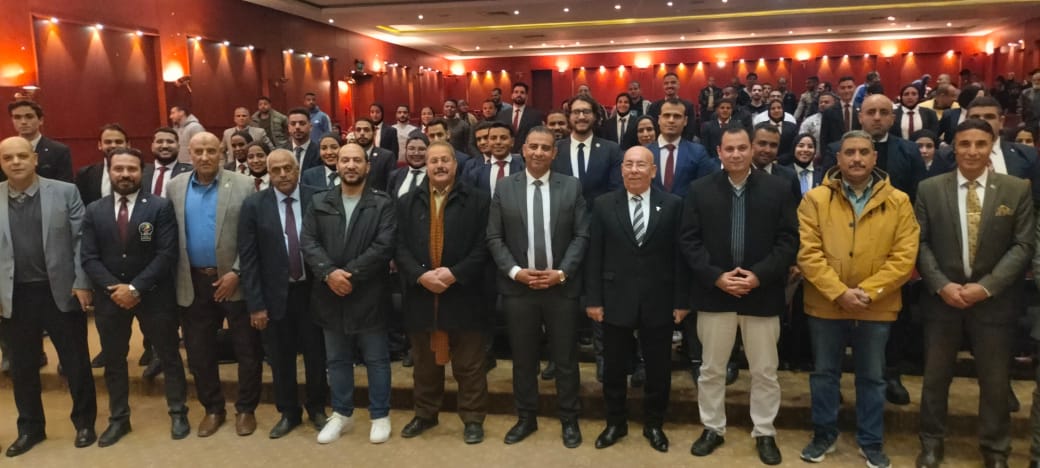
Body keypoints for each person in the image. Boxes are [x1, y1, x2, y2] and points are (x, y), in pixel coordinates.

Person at [915, 119, 1035, 468]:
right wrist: (942, 285)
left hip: (994, 303)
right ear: (954, 148)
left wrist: (986, 287)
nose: (971, 151)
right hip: (943, 301)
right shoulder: (929, 189)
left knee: (995, 383)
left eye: (980, 144)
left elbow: (1023, 245)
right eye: (964, 144)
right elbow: (919, 243)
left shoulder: (1016, 190)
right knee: (935, 379)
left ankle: (995, 449)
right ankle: (931, 443)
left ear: (991, 147)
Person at [796, 130, 920, 468]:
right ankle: (823, 435)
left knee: (872, 377)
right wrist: (839, 292)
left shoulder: (899, 201)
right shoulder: (815, 200)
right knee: (824, 374)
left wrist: (867, 292)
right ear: (838, 158)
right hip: (826, 303)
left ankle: (871, 440)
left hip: (876, 305)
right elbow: (808, 253)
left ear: (874, 157)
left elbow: (904, 257)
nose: (856, 158)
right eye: (849, 152)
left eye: (864, 152)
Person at [680, 126, 798, 466]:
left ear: (751, 150)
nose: (736, 154)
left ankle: (764, 431)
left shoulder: (778, 188)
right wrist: (716, 277)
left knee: (765, 370)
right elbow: (689, 240)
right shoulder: (700, 190)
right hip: (715, 294)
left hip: (762, 293)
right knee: (711, 369)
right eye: (729, 148)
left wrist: (759, 275)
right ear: (719, 151)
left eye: (742, 148)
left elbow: (789, 240)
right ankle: (712, 428)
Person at [486, 126, 589, 448]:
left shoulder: (571, 186)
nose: (539, 152)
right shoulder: (506, 187)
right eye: (533, 146)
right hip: (520, 289)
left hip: (561, 288)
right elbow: (494, 237)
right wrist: (515, 272)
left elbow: (581, 235)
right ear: (523, 150)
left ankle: (569, 418)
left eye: (546, 147)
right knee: (523, 358)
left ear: (554, 153)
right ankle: (526, 417)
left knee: (565, 359)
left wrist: (563, 272)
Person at [80, 146, 189, 446]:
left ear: (142, 171)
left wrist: (135, 288)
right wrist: (115, 288)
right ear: (109, 170)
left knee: (168, 355)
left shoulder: (159, 207)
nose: (125, 174)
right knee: (114, 361)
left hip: (154, 295)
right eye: (119, 169)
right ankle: (119, 419)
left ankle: (178, 412)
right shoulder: (94, 210)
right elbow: (88, 257)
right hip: (110, 298)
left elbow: (166, 254)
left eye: (132, 169)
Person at [585, 146, 689, 453]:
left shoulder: (673, 205)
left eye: (641, 165)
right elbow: (595, 255)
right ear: (621, 170)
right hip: (614, 298)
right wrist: (593, 300)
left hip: (659, 299)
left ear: (653, 171)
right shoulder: (604, 204)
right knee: (614, 368)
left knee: (658, 369)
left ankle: (654, 423)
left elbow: (680, 257)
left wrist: (681, 301)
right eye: (628, 164)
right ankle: (615, 422)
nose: (633, 170)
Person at [0, 136, 97, 456]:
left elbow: (82, 240)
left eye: (21, 156)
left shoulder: (65, 192)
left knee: (75, 362)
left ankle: (84, 422)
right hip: (14, 295)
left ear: (35, 159)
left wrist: (82, 282)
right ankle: (30, 428)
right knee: (22, 367)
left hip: (61, 290)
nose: (15, 162)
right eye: (8, 158)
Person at [167, 132, 263, 438]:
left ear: (221, 152)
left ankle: (246, 409)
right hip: (193, 281)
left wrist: (237, 272)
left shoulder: (243, 184)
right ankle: (213, 408)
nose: (205, 157)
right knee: (199, 351)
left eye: (211, 150)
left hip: (235, 280)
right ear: (189, 153)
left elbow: (255, 234)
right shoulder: (175, 187)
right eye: (199, 151)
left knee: (247, 349)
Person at [395, 141, 491, 444]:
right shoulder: (406, 202)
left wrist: (455, 274)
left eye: (445, 160)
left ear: (455, 164)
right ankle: (425, 414)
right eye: (433, 160)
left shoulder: (478, 200)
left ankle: (473, 419)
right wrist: (420, 275)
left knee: (469, 364)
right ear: (425, 165)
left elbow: (484, 246)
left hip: (465, 293)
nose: (439, 165)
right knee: (424, 364)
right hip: (422, 294)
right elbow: (399, 246)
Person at [301, 143, 396, 445]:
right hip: (329, 293)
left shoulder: (382, 203)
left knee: (376, 359)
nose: (351, 165)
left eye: (357, 160)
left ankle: (380, 414)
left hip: (369, 293)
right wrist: (329, 273)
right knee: (337, 359)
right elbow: (308, 241)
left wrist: (349, 275)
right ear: (337, 165)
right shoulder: (319, 201)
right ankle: (341, 413)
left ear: (368, 166)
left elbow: (384, 246)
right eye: (345, 160)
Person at [237, 149, 328, 439]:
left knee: (316, 354)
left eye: (288, 168)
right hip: (275, 294)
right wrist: (256, 305)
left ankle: (317, 408)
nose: (283, 174)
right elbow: (249, 259)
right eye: (275, 170)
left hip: (313, 292)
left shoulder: (319, 197)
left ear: (297, 170)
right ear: (268, 173)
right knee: (280, 357)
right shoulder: (254, 205)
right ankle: (289, 412)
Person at [4, 100, 72, 182]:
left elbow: (65, 185)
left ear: (41, 120)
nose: (23, 122)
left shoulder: (58, 151)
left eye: (29, 117)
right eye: (17, 117)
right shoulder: (4, 150)